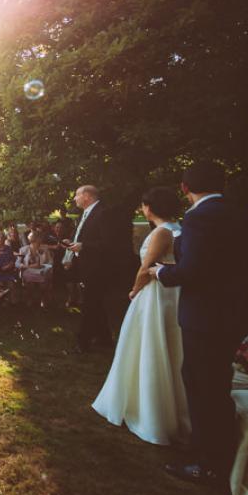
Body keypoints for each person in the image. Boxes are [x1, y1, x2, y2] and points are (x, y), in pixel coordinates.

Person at [150, 163, 248, 484]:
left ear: (185, 188)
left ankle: (209, 463)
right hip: (235, 313)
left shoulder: (199, 218)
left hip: (206, 316)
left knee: (204, 386)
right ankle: (211, 448)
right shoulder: (244, 215)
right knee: (216, 383)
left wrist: (161, 272)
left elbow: (191, 270)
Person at [93, 187, 190, 445]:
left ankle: (149, 409)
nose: (141, 209)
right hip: (174, 295)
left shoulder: (162, 232)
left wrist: (134, 290)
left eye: (143, 206)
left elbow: (145, 269)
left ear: (150, 208)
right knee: (170, 346)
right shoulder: (181, 228)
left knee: (147, 344)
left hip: (156, 294)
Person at [65, 185, 136, 352]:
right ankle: (104, 338)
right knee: (95, 303)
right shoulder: (86, 214)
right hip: (86, 265)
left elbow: (109, 243)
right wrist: (73, 243)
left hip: (98, 267)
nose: (74, 198)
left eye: (77, 195)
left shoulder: (103, 213)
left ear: (87, 196)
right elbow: (85, 236)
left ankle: (82, 342)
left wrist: (83, 246)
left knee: (89, 303)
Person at [16, 232, 54, 308]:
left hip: (42, 271)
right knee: (30, 284)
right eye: (37, 242)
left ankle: (43, 299)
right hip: (29, 272)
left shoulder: (44, 248)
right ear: (32, 241)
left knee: (43, 284)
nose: (39, 243)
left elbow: (50, 261)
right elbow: (17, 263)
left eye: (39, 241)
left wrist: (44, 267)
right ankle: (30, 298)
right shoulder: (23, 250)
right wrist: (25, 266)